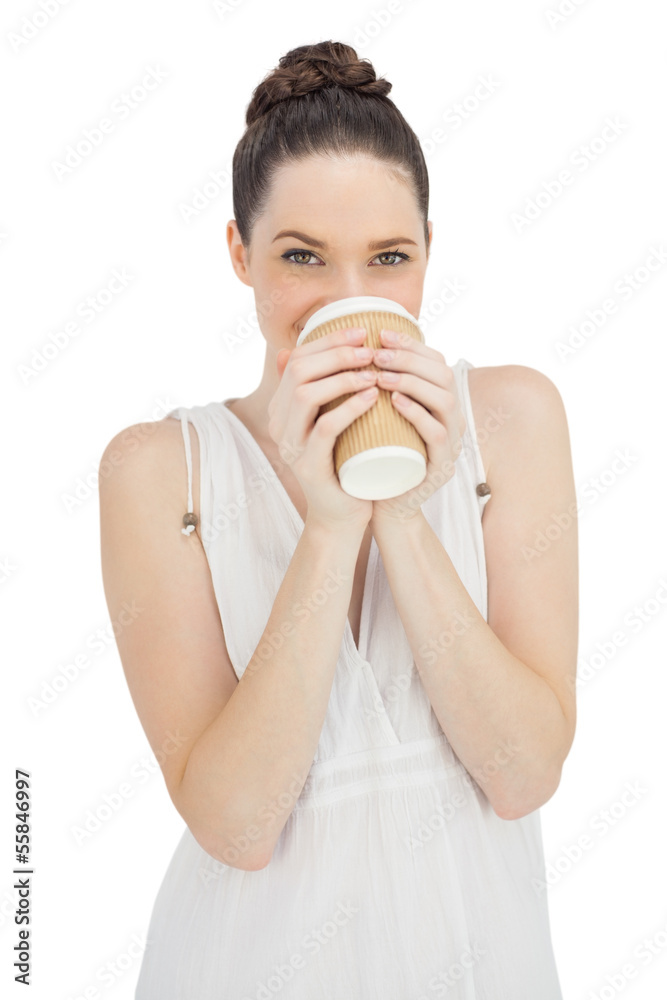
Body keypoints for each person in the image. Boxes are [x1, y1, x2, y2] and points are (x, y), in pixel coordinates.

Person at [99, 39, 578, 999]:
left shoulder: (511, 420)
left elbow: (521, 774)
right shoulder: (158, 470)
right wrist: (327, 528)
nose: (350, 301)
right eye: (301, 257)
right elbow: (235, 826)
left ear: (428, 252)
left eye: (388, 258)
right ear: (240, 255)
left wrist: (399, 508)